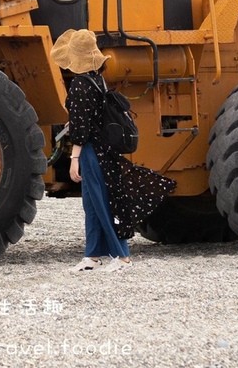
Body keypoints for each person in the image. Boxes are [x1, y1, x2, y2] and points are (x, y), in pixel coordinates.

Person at [52, 29, 175, 273]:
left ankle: (122, 256)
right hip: (104, 151)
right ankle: (92, 255)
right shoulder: (97, 80)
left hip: (90, 152)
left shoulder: (78, 85)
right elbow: (91, 117)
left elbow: (82, 129)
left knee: (101, 203)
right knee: (92, 203)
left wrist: (74, 158)